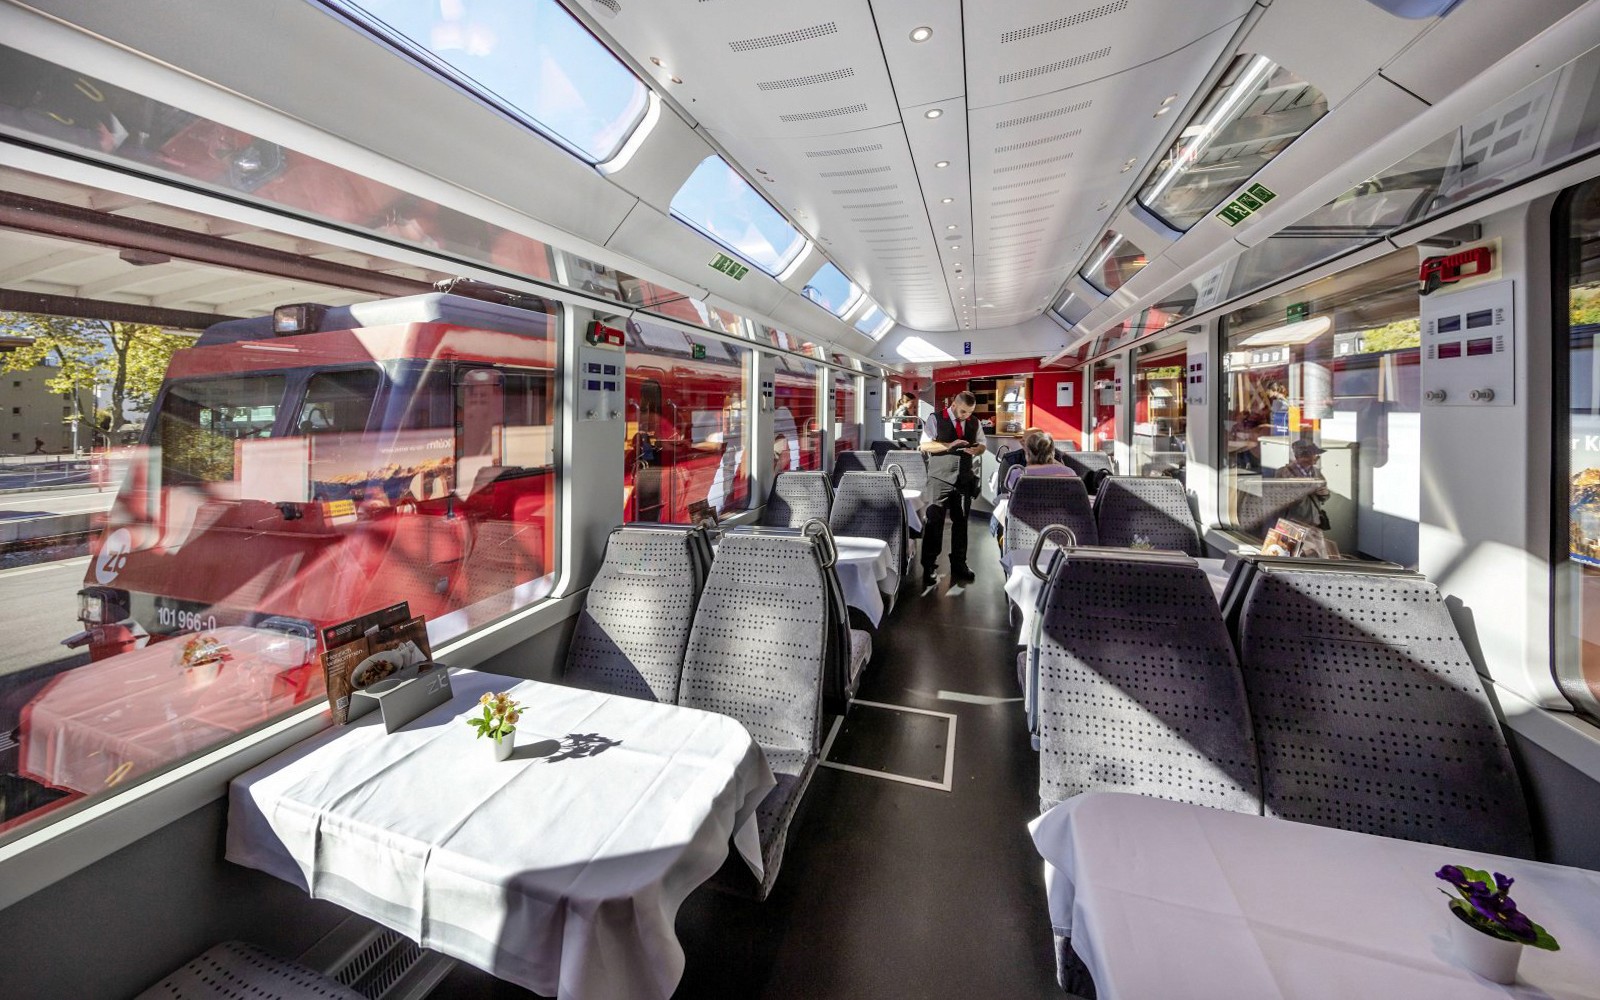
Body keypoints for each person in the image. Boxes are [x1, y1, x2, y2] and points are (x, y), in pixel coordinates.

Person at [919, 391, 986, 587]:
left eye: (970, 412)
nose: (966, 416)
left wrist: (977, 450)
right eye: (963, 411)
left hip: (964, 479)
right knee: (934, 522)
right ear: (954, 405)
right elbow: (924, 445)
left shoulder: (974, 422)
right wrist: (949, 445)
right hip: (939, 478)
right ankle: (929, 565)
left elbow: (982, 444)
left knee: (961, 523)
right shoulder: (935, 419)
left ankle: (959, 564)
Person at [1277, 438, 1332, 528]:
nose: (1318, 457)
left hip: (1314, 522)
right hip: (1293, 523)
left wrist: (1325, 493)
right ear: (1303, 456)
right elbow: (1279, 498)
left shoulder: (1316, 472)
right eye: (1314, 454)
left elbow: (1324, 497)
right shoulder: (1283, 473)